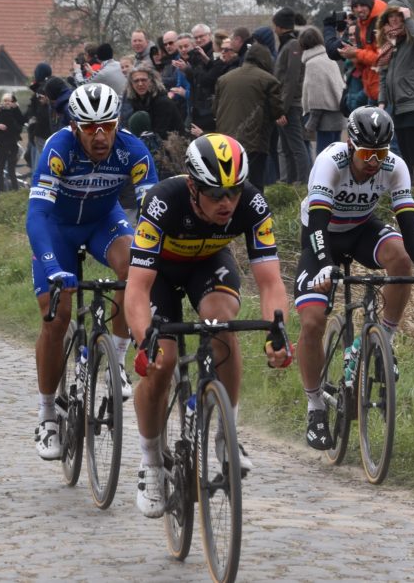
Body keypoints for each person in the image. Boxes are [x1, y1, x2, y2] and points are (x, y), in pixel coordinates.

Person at [124, 134, 291, 517]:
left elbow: (269, 281)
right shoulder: (162, 201)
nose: (227, 203)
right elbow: (137, 287)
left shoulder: (253, 203)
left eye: (233, 191)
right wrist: (143, 338)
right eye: (215, 194)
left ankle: (224, 435)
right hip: (160, 275)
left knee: (221, 324)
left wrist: (276, 330)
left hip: (207, 264)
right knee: (162, 364)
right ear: (192, 185)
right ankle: (150, 462)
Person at [293, 107, 414, 450]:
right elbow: (316, 224)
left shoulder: (394, 166)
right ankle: (315, 407)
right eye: (367, 153)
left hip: (360, 230)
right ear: (350, 144)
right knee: (313, 321)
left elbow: (408, 221)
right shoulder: (331, 161)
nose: (374, 161)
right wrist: (326, 265)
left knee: (402, 259)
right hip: (322, 236)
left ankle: (384, 336)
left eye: (381, 153)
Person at [26, 83, 158, 461]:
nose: (100, 136)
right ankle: (47, 413)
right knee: (56, 318)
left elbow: (152, 213)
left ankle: (116, 358)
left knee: (134, 263)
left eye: (108, 125)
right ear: (74, 126)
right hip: (57, 228)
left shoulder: (133, 150)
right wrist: (51, 265)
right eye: (89, 127)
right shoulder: (57, 149)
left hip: (103, 222)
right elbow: (37, 215)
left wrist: (160, 258)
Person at [376, 0, 414, 188]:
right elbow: (383, 75)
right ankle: (406, 190)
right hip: (396, 106)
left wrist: (409, 20)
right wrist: (382, 101)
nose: (394, 20)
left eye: (398, 16)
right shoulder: (388, 44)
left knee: (413, 151)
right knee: (404, 153)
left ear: (405, 16)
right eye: (390, 16)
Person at [213, 43, 284, 190]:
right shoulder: (269, 80)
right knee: (255, 182)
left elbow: (215, 109)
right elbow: (276, 111)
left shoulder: (224, 79)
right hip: (255, 139)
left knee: (230, 180)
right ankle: (255, 211)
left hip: (226, 139)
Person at [273, 7, 312, 185]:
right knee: (287, 148)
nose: (274, 29)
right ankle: (289, 183)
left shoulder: (293, 45)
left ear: (280, 26)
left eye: (275, 25)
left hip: (291, 105)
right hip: (285, 105)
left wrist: (282, 109)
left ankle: (302, 183)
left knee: (297, 147)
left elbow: (291, 79)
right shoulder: (287, 45)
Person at [299, 27, 345, 155]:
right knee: (336, 157)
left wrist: (311, 123)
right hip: (338, 116)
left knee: (323, 157)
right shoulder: (328, 58)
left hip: (326, 120)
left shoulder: (313, 63)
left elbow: (317, 97)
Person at [119, 63, 184, 144]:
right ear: (131, 84)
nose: (140, 84)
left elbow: (161, 134)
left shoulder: (162, 102)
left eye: (143, 80)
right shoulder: (135, 100)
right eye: (136, 81)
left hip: (172, 144)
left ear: (151, 81)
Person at [0, 93, 27, 192]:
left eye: (9, 101)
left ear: (13, 103)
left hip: (12, 145)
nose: (7, 103)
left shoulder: (15, 114)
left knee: (11, 170)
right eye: (5, 100)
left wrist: (15, 110)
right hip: (0, 145)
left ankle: (14, 191)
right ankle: (1, 192)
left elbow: (20, 125)